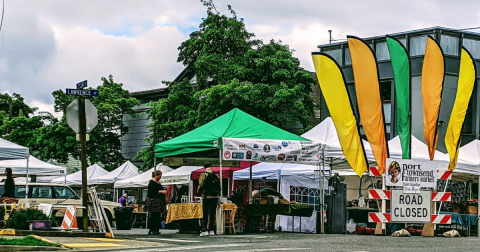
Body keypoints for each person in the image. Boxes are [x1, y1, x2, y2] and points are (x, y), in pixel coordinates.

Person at [197, 162, 221, 237]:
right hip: (215, 196)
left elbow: (201, 184)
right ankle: (212, 229)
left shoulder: (203, 174)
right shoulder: (216, 175)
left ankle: (204, 229)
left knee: (205, 213)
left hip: (207, 196)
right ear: (211, 167)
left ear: (204, 167)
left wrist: (199, 191)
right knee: (212, 213)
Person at [145, 170, 167, 235]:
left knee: (157, 216)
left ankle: (156, 229)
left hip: (158, 201)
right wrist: (161, 191)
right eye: (160, 176)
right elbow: (152, 192)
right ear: (156, 175)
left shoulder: (158, 183)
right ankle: (151, 229)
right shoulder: (151, 183)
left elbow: (161, 188)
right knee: (153, 215)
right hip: (153, 201)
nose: (160, 177)